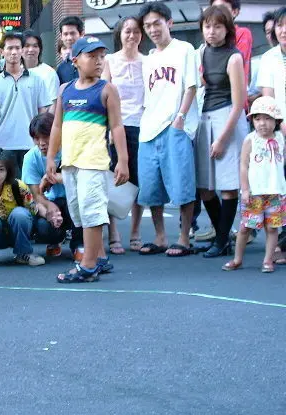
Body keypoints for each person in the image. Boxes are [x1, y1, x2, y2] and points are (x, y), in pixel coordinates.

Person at [46, 36, 130, 283]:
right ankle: (100, 258)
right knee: (80, 213)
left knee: (92, 212)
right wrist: (52, 157)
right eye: (91, 56)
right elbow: (57, 127)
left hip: (94, 162)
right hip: (70, 162)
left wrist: (122, 160)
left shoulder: (107, 90)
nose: (98, 61)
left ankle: (89, 266)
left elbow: (117, 127)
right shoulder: (65, 90)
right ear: (75, 61)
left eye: (102, 56)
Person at [136, 3, 199, 257]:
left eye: (157, 23)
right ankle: (160, 237)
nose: (152, 29)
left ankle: (183, 237)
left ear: (169, 23)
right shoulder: (148, 60)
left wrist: (181, 117)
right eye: (148, 25)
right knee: (151, 188)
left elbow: (191, 86)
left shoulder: (184, 50)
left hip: (175, 125)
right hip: (149, 128)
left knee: (183, 182)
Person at [195, 6, 248, 258]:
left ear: (227, 29)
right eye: (207, 26)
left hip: (228, 118)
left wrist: (222, 139)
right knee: (204, 187)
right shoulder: (202, 52)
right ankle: (223, 237)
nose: (212, 31)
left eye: (217, 26)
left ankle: (221, 240)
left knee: (227, 186)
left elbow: (239, 104)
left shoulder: (234, 57)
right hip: (205, 118)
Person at [222, 96, 285, 273]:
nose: (262, 123)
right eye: (257, 119)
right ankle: (237, 259)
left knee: (272, 228)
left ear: (276, 120)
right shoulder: (251, 139)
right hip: (255, 192)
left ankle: (267, 260)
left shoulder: (280, 139)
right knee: (245, 227)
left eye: (267, 118)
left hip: (275, 192)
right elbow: (243, 165)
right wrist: (245, 189)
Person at [101, 16, 145, 254]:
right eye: (127, 31)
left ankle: (136, 231)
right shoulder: (110, 60)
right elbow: (104, 94)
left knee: (138, 181)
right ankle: (114, 232)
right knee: (115, 179)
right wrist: (106, 128)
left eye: (136, 31)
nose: (132, 35)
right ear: (119, 34)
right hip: (116, 126)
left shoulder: (147, 62)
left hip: (142, 126)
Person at [0, 32, 50, 173]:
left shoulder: (37, 80)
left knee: (31, 188)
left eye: (17, 48)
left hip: (31, 144)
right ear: (2, 51)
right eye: (9, 48)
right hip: (4, 146)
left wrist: (42, 139)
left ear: (22, 50)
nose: (14, 52)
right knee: (8, 190)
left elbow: (42, 112)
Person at [22, 113, 83, 258]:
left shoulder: (71, 151)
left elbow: (84, 182)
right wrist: (49, 207)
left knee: (77, 206)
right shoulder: (30, 157)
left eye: (46, 137)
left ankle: (79, 246)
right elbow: (35, 195)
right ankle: (55, 241)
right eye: (36, 138)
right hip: (49, 202)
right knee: (43, 225)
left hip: (74, 199)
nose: (41, 142)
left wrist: (55, 177)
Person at [257, 6, 286, 136]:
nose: (284, 31)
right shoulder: (268, 58)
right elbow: (268, 98)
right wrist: (280, 123)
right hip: (280, 127)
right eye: (279, 25)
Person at [23, 29, 60, 112]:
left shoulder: (49, 73)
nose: (31, 49)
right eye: (27, 46)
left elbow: (53, 105)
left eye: (35, 46)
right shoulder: (16, 73)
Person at [56, 16, 84, 84]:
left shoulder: (92, 59)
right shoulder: (61, 68)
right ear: (61, 37)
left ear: (82, 34)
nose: (69, 38)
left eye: (72, 33)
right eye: (65, 34)